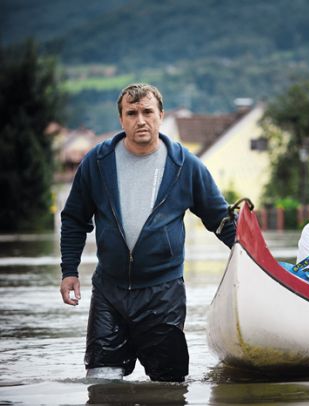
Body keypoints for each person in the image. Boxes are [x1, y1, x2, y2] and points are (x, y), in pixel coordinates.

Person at [59, 83, 236, 382]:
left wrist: (254, 258)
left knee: (169, 387)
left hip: (162, 295)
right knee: (102, 386)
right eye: (132, 113)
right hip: (109, 294)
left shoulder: (185, 166)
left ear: (161, 115)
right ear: (121, 119)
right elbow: (75, 219)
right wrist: (69, 270)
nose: (140, 120)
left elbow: (219, 219)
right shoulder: (96, 163)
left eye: (147, 112)